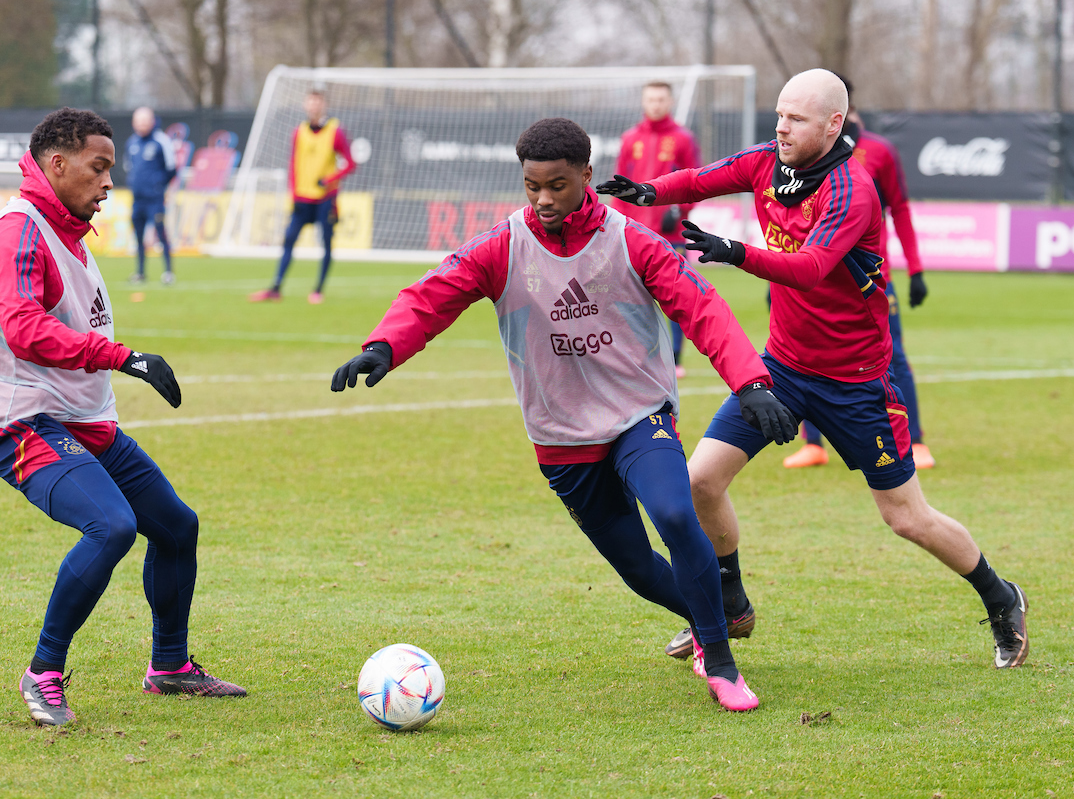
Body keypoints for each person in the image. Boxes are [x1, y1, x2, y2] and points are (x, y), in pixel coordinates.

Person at [332, 117, 800, 712]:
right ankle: (715, 609)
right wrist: (383, 346)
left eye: (557, 185)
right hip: (559, 434)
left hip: (638, 414)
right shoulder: (502, 245)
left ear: (586, 175)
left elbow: (702, 308)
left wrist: (751, 382)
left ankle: (721, 660)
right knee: (635, 566)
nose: (544, 199)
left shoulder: (632, 240)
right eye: (532, 187)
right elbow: (431, 296)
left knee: (676, 514)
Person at [598, 69, 1029, 672]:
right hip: (781, 368)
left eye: (796, 119)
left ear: (832, 124)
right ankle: (729, 603)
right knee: (699, 482)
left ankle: (1000, 595)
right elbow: (700, 179)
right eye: (779, 114)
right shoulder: (767, 162)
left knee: (906, 517)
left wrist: (734, 252)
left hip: (856, 383)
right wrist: (648, 193)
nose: (781, 127)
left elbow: (813, 266)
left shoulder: (853, 189)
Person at [0, 108, 245, 727]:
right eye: (99, 169)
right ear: (57, 164)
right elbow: (22, 329)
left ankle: (170, 667)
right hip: (24, 425)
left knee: (177, 528)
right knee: (112, 527)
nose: (107, 184)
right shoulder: (19, 231)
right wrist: (124, 358)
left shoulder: (66, 231)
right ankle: (42, 672)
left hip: (85, 425)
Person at [784, 76, 934, 470]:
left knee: (893, 355)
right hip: (808, 276)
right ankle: (813, 444)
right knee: (803, 355)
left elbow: (899, 207)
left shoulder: (879, 151)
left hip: (867, 283)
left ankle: (915, 441)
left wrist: (916, 270)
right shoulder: (800, 153)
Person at [611, 81, 700, 379]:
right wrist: (618, 224)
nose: (656, 104)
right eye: (651, 99)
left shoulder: (683, 139)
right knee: (631, 296)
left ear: (670, 101)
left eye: (661, 99)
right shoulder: (630, 138)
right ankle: (636, 354)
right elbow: (619, 186)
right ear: (643, 101)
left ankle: (674, 359)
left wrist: (680, 212)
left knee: (676, 296)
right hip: (633, 233)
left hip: (670, 235)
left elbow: (696, 183)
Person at [250, 89, 356, 304]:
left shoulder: (335, 131)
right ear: (305, 106)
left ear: (324, 105)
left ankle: (318, 289)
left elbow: (351, 163)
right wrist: (294, 192)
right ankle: (276, 287)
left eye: (318, 103)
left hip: (326, 199)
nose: (314, 107)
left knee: (326, 242)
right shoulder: (298, 131)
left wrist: (329, 180)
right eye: (310, 102)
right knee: (289, 239)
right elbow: (293, 164)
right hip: (302, 199)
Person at [124, 107, 178, 285]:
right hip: (137, 199)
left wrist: (158, 186)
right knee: (138, 237)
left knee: (161, 233)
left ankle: (169, 272)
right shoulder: (131, 143)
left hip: (155, 200)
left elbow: (171, 168)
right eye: (138, 121)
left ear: (153, 121)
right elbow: (128, 167)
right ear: (133, 123)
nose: (142, 124)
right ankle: (140, 272)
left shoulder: (161, 141)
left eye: (145, 120)